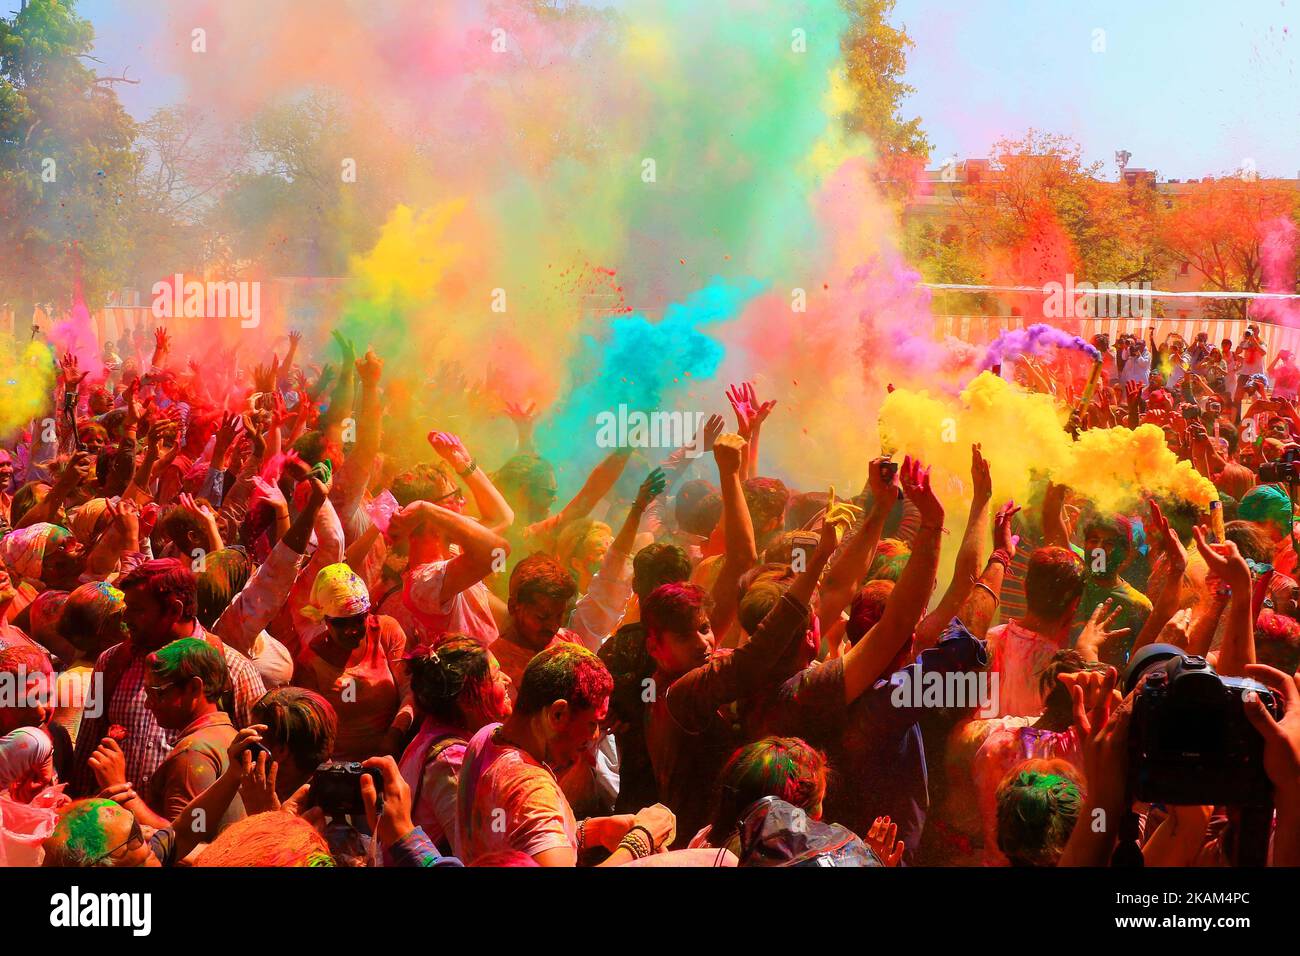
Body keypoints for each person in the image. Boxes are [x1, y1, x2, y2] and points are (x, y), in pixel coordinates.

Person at [453, 643, 673, 865]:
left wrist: (596, 830)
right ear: (558, 714)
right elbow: (530, 812)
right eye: (592, 723)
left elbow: (517, 836)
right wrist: (640, 841)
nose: (596, 735)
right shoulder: (531, 791)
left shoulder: (486, 736)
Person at [398, 637, 512, 851]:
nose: (508, 680)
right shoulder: (451, 763)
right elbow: (473, 854)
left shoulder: (437, 730)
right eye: (496, 676)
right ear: (467, 701)